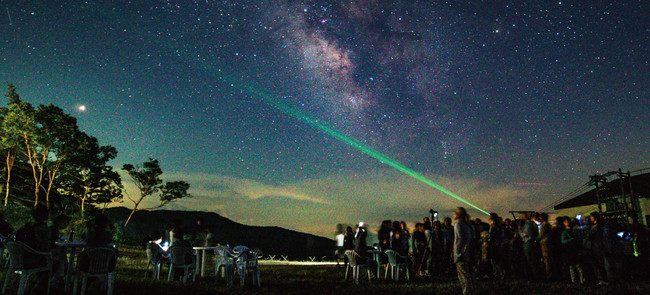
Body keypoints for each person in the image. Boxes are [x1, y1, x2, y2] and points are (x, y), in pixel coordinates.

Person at [454, 207, 475, 295]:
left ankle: (467, 292)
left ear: (458, 215)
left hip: (461, 254)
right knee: (468, 274)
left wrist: (458, 254)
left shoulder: (458, 224)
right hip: (468, 253)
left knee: (463, 276)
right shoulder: (468, 225)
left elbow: (460, 240)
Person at [561, 217, 585, 284]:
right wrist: (570, 240)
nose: (567, 222)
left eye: (567, 221)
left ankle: (581, 280)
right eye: (565, 221)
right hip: (569, 250)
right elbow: (563, 241)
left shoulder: (574, 230)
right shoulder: (564, 232)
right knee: (572, 266)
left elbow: (579, 238)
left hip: (575, 249)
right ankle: (574, 280)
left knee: (578, 266)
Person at [587, 212, 608, 285]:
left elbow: (590, 236)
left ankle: (604, 279)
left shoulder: (597, 227)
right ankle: (603, 279)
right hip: (597, 246)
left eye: (591, 216)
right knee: (599, 264)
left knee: (599, 264)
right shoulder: (597, 226)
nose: (590, 218)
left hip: (597, 247)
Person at [518, 212, 540, 279]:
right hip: (529, 242)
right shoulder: (530, 224)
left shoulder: (528, 224)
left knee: (530, 260)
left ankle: (534, 276)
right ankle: (533, 275)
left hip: (528, 242)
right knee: (530, 260)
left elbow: (523, 234)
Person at [537, 213, 553, 280]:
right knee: (548, 260)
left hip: (545, 244)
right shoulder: (548, 225)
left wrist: (536, 240)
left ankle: (549, 275)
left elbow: (541, 235)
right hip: (548, 243)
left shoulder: (544, 225)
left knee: (546, 260)